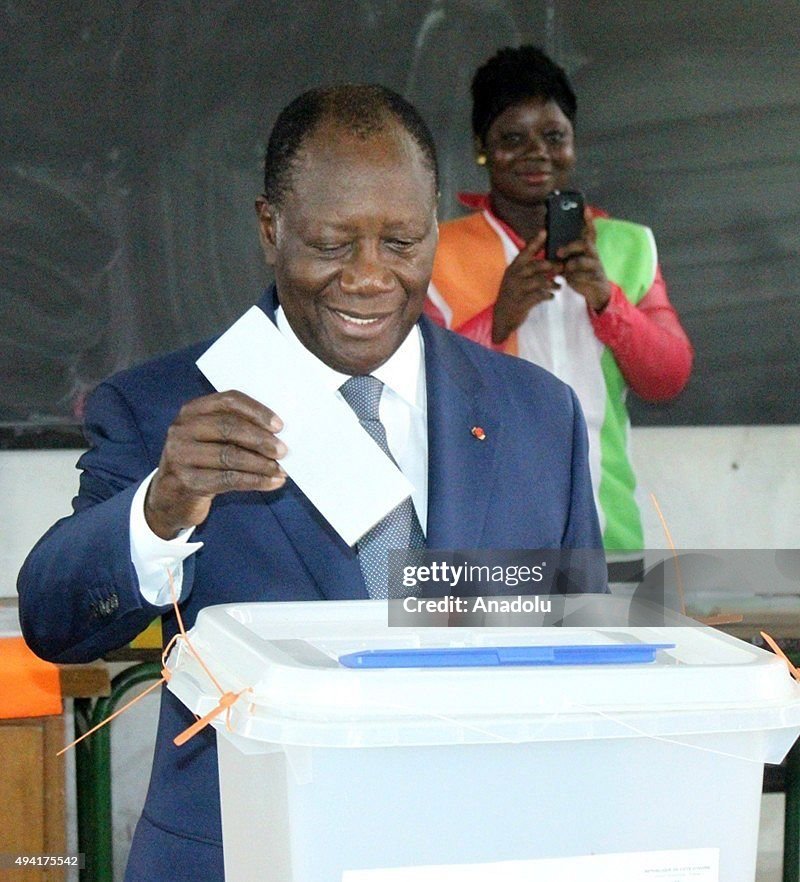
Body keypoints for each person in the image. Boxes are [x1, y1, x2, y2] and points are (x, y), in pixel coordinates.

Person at [18, 84, 604, 881]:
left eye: (401, 243)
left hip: (477, 852)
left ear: (436, 227)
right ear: (271, 229)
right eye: (332, 244)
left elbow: (581, 657)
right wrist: (159, 509)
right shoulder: (166, 407)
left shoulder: (537, 415)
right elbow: (56, 619)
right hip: (245, 855)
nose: (369, 278)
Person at [426, 45, 694, 554]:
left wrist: (607, 303)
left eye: (554, 136)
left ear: (573, 142)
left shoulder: (627, 245)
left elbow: (669, 377)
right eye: (512, 138)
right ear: (482, 146)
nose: (537, 154)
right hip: (483, 538)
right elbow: (416, 391)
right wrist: (497, 320)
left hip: (607, 524)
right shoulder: (439, 251)